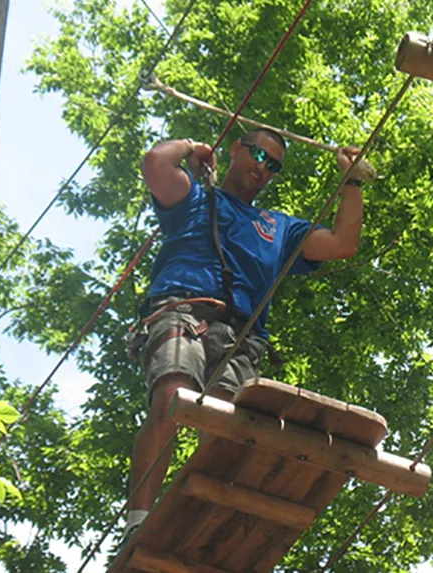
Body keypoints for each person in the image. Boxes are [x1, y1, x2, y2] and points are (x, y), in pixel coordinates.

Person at [120, 127, 364, 546]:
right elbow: (157, 163)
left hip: (240, 336)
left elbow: (343, 243)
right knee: (171, 399)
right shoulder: (195, 198)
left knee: (222, 434)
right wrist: (192, 146)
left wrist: (354, 182)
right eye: (258, 155)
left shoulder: (280, 228)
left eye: (274, 166)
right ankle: (138, 521)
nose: (263, 168)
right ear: (235, 150)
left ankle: (200, 534)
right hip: (183, 308)